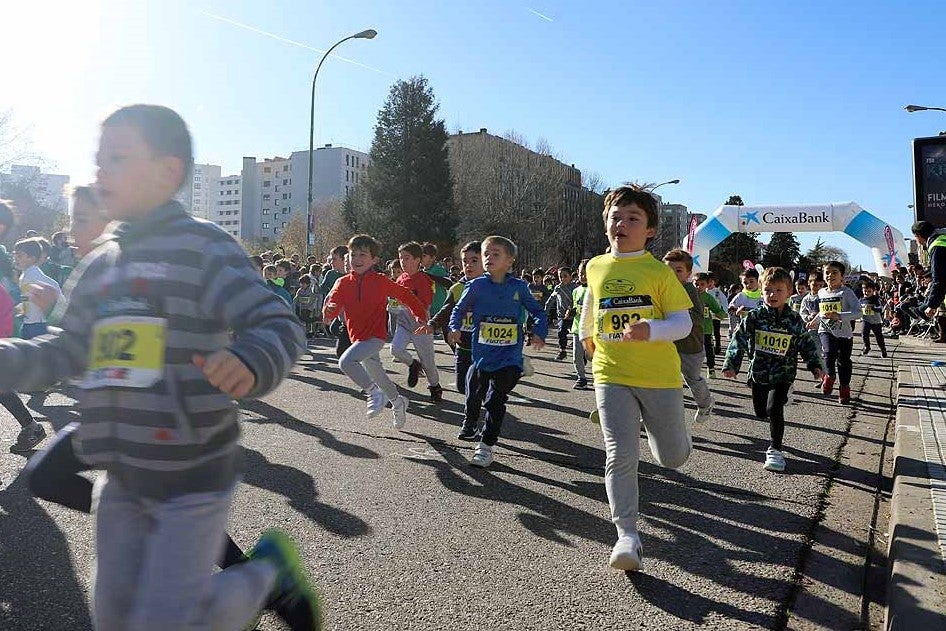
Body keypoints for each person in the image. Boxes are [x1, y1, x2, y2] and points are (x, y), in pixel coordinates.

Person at [0, 104, 320, 630]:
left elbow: (278, 322)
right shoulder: (100, 265)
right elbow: (63, 351)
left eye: (117, 159)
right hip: (120, 476)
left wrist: (250, 359)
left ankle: (263, 575)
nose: (100, 173)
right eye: (98, 160)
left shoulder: (205, 248)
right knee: (113, 619)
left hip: (192, 477)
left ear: (168, 171)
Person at [578, 185, 693, 572]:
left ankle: (670, 436)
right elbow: (593, 303)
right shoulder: (596, 266)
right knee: (620, 453)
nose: (621, 224)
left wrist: (652, 330)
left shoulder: (658, 271)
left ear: (649, 230)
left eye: (632, 218)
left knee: (672, 457)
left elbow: (683, 322)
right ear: (605, 223)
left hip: (658, 378)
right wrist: (585, 336)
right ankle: (627, 535)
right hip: (611, 373)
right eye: (615, 216)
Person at [448, 236, 547, 466]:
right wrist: (454, 327)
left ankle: (485, 446)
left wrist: (539, 331)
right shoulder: (476, 286)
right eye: (486, 254)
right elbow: (459, 309)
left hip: (508, 356)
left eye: (496, 254)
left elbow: (538, 312)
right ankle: (471, 423)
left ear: (509, 261)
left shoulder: (519, 287)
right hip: (482, 356)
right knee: (472, 393)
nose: (489, 258)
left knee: (494, 401)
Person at [722, 267, 825, 471]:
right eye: (768, 290)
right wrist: (732, 364)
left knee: (774, 408)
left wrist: (814, 365)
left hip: (783, 373)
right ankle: (779, 403)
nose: (773, 295)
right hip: (759, 373)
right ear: (761, 291)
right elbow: (738, 339)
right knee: (761, 412)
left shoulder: (794, 319)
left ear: (788, 292)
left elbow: (805, 343)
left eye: (779, 290)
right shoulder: (754, 316)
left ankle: (775, 451)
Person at [323, 234, 429, 427]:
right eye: (353, 255)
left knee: (345, 362)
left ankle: (374, 393)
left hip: (375, 337)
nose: (357, 259)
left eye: (363, 255)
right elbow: (334, 303)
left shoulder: (380, 281)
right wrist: (329, 311)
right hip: (358, 338)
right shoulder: (343, 282)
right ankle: (398, 402)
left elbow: (404, 294)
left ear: (374, 260)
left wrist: (420, 314)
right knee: (379, 375)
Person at [663, 251, 714, 423]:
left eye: (678, 270)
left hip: (690, 346)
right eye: (668, 270)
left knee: (692, 379)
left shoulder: (689, 290)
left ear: (688, 274)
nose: (673, 274)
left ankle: (705, 404)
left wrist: (678, 313)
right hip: (666, 344)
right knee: (662, 382)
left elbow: (699, 317)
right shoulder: (661, 288)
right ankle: (655, 418)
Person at [390, 241, 443, 402]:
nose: (402, 262)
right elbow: (395, 299)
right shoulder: (400, 279)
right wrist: (392, 304)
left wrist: (406, 304)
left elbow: (425, 304)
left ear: (417, 260)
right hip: (404, 323)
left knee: (428, 362)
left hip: (421, 326)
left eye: (406, 258)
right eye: (400, 258)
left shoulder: (423, 280)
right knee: (395, 350)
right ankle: (413, 364)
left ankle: (435, 386)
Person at [429, 241, 482, 397]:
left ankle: (472, 416)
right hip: (462, 347)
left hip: (484, 349)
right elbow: (445, 310)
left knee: (476, 385)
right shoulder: (457, 288)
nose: (468, 265)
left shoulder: (494, 288)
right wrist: (433, 324)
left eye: (474, 260)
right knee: (461, 386)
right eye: (465, 261)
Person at [812, 261, 861, 404]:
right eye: (827, 272)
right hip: (825, 330)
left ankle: (844, 389)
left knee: (844, 362)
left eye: (834, 272)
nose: (830, 275)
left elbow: (858, 313)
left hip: (844, 333)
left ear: (842, 276)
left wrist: (839, 316)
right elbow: (822, 312)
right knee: (828, 353)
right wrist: (814, 321)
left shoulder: (847, 293)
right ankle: (830, 376)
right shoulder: (821, 292)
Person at [12, 238, 63, 339]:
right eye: (14, 254)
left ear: (32, 258)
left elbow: (55, 290)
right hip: (29, 323)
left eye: (20, 255)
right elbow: (27, 298)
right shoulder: (25, 274)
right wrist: (18, 310)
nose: (15, 258)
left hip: (37, 326)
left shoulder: (33, 275)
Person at [694, 272, 727, 378]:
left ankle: (711, 368)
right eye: (696, 284)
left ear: (707, 285)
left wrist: (720, 314)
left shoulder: (709, 298)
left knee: (708, 350)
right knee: (692, 351)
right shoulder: (689, 296)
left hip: (706, 329)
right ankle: (692, 369)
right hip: (692, 329)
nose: (698, 287)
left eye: (702, 284)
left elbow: (719, 310)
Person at [912, 221, 946, 320]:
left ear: (918, 235)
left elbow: (939, 279)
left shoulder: (937, 246)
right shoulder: (943, 238)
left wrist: (932, 305)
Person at [571, 260, 590, 390]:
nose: (581, 276)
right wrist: (570, 311)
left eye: (584, 274)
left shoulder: (594, 289)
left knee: (591, 355)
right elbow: (575, 306)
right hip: (578, 327)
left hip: (592, 330)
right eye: (579, 273)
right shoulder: (576, 291)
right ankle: (581, 378)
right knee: (576, 355)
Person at [860, 281, 887, 357]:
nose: (866, 293)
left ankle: (883, 348)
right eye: (865, 291)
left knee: (879, 336)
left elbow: (880, 308)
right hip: (866, 320)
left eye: (869, 291)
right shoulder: (861, 300)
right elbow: (857, 308)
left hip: (876, 321)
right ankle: (867, 346)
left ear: (873, 291)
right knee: (864, 333)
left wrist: (873, 308)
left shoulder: (875, 299)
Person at [706, 273, 729, 353]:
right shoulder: (703, 291)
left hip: (716, 315)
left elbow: (724, 301)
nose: (709, 284)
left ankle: (718, 345)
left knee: (716, 331)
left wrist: (724, 311)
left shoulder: (717, 292)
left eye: (711, 281)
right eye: (707, 282)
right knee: (707, 331)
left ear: (714, 282)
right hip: (706, 316)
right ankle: (708, 345)